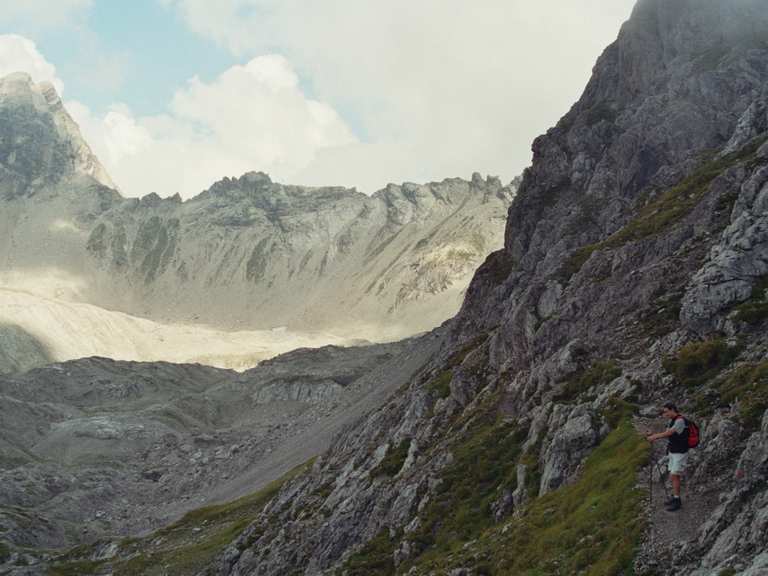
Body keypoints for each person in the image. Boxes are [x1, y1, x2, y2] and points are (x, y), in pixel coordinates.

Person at [646, 402, 688, 511]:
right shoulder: (671, 421)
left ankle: (677, 501)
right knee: (673, 475)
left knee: (674, 475)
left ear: (672, 409)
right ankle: (675, 497)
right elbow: (666, 433)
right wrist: (653, 434)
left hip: (680, 453)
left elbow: (669, 433)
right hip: (673, 452)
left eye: (666, 411)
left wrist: (654, 436)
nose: (665, 414)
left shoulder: (680, 421)